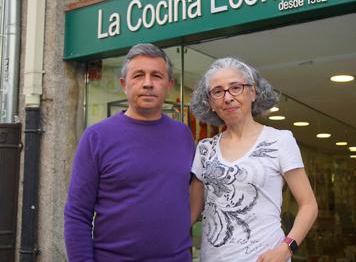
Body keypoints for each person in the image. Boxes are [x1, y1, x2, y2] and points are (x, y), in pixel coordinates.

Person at [64, 43, 195, 262]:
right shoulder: (97, 137)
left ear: (169, 85)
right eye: (138, 75)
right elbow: (77, 214)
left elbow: (191, 191)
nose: (147, 83)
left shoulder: (183, 134)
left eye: (156, 76)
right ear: (124, 85)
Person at [189, 57, 318, 262]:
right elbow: (192, 212)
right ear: (211, 103)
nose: (228, 97)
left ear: (253, 91)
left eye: (236, 87)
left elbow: (309, 205)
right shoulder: (205, 149)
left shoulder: (280, 140)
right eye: (218, 91)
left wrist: (286, 249)